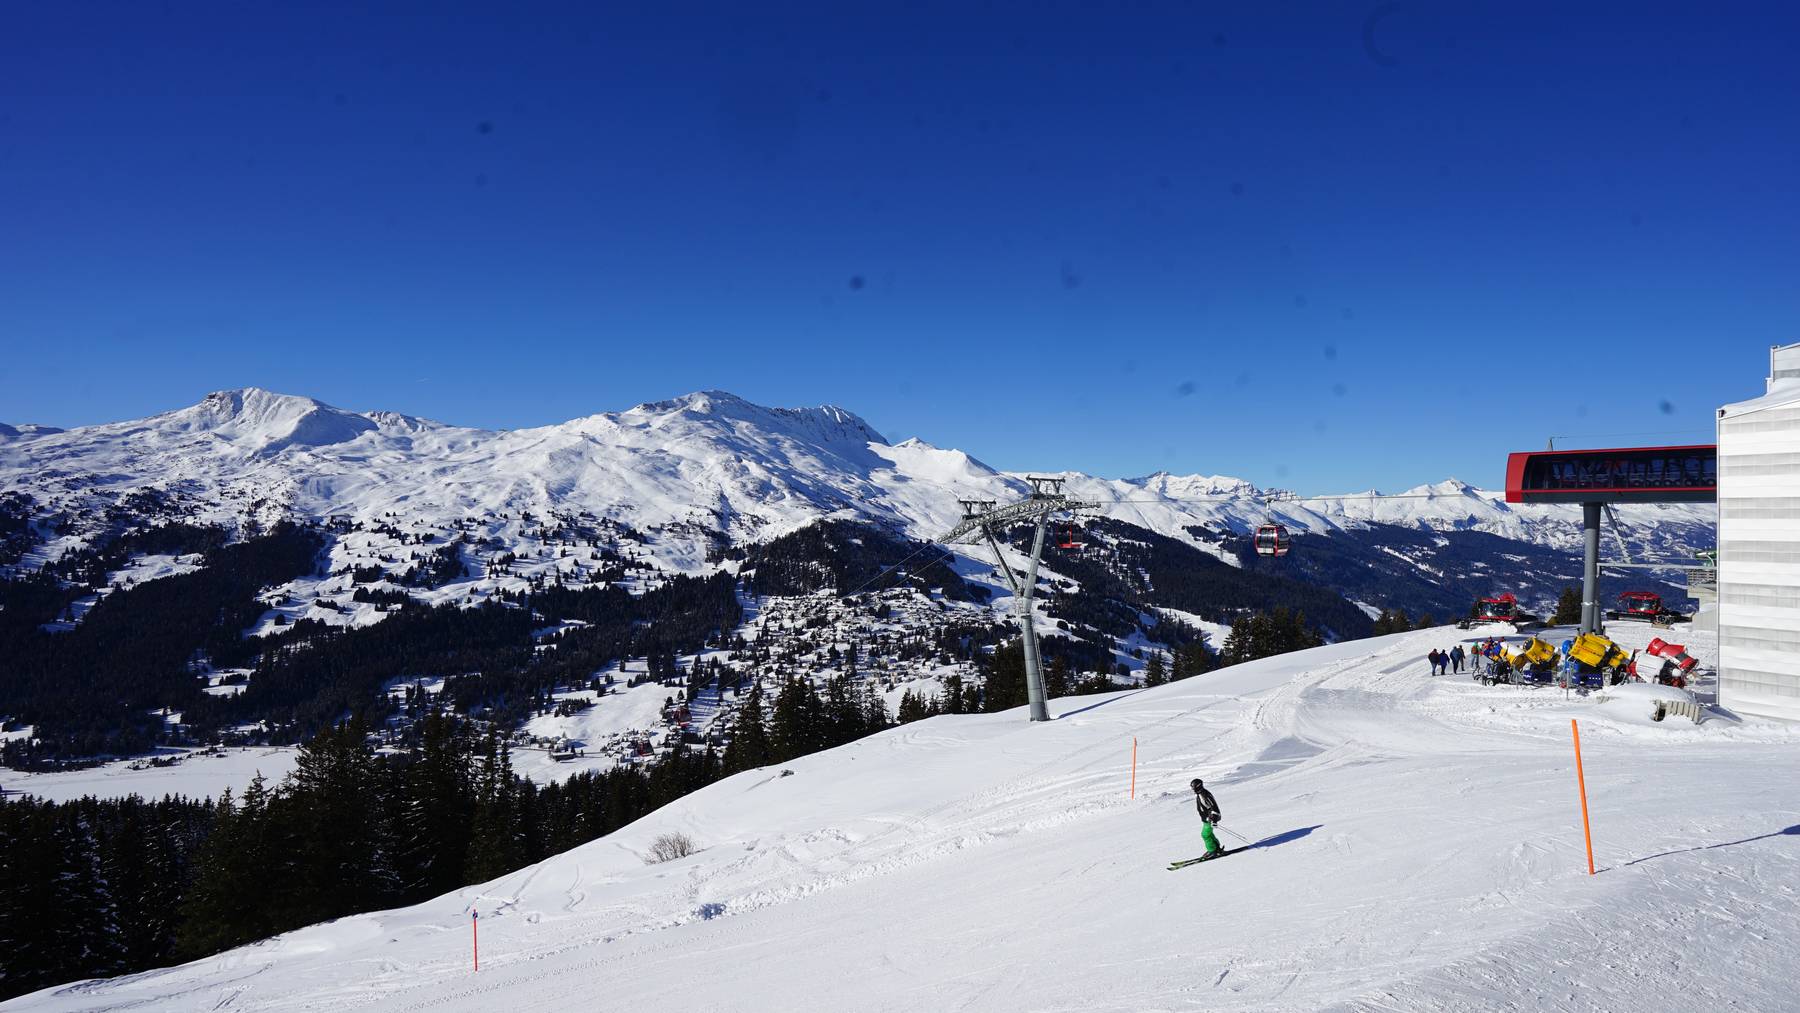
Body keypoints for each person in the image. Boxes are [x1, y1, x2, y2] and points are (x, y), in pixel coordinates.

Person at [1191, 778, 1224, 857]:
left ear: (1197, 786)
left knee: (1205, 835)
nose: (1192, 788)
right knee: (1209, 834)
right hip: (1208, 818)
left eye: (1193, 787)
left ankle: (1212, 851)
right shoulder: (1201, 793)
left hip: (1210, 818)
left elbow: (1214, 807)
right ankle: (1217, 848)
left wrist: (1214, 820)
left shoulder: (1204, 795)